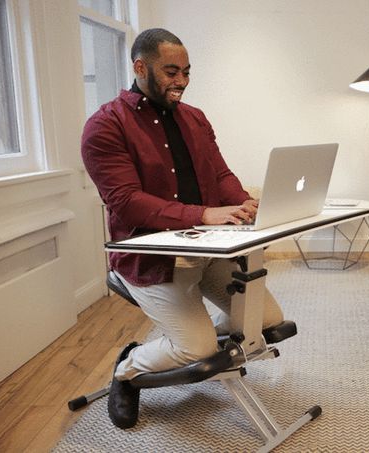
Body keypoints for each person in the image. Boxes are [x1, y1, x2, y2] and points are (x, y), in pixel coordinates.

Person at [81, 28, 284, 429]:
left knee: (265, 319)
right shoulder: (105, 126)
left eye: (187, 72)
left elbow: (220, 173)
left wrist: (242, 201)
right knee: (197, 346)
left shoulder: (195, 118)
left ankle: (196, 341)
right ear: (140, 67)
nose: (182, 82)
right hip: (150, 257)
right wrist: (203, 214)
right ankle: (128, 370)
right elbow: (126, 201)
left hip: (209, 250)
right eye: (171, 71)